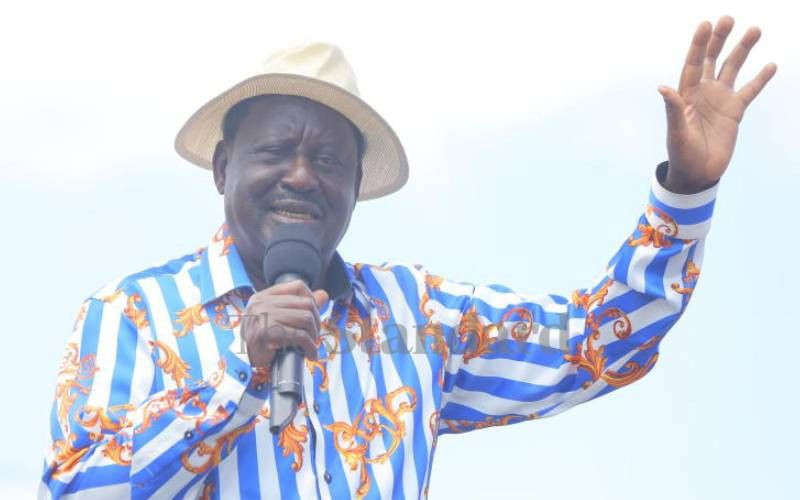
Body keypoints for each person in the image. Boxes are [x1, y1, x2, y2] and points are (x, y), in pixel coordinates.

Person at [39, 15, 777, 499]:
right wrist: (240, 373)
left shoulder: (415, 319)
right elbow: (72, 487)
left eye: (329, 160)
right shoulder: (134, 314)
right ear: (224, 168)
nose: (302, 175)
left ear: (357, 187)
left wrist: (687, 188)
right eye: (276, 151)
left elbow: (597, 341)